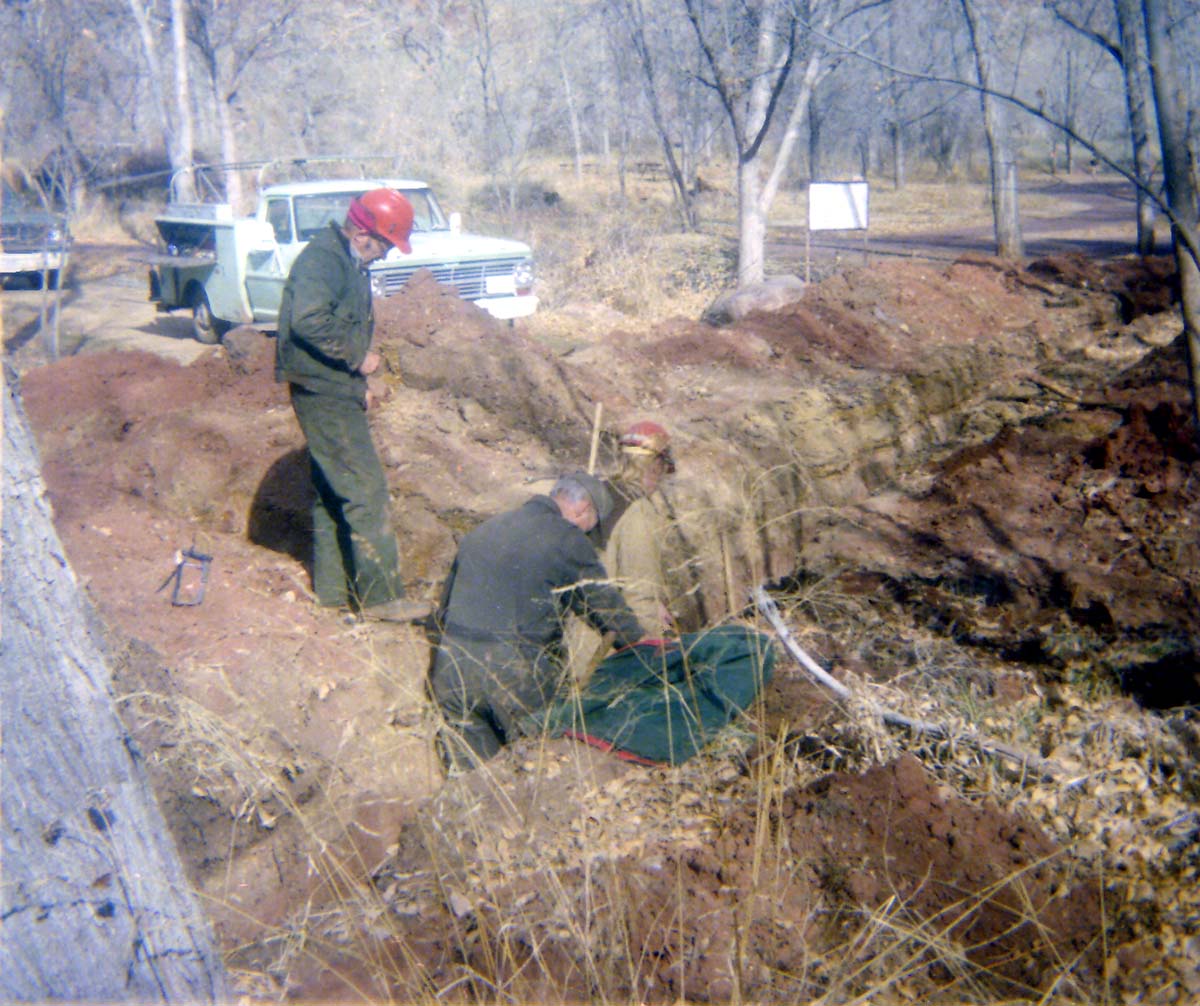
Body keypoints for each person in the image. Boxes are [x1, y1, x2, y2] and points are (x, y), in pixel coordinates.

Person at [275, 188, 428, 622]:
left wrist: (356, 384)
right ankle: (382, 599)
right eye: (384, 245)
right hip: (322, 391)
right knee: (366, 491)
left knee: (333, 491)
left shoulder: (346, 259)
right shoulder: (323, 261)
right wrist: (357, 357)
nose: (386, 255)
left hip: (332, 386)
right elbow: (308, 320)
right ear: (362, 234)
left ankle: (334, 593)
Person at [429, 472, 646, 770]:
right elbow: (607, 611)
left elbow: (444, 611)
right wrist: (644, 646)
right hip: (514, 675)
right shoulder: (566, 538)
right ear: (583, 510)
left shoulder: (485, 529)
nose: (586, 536)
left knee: (471, 782)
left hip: (452, 669)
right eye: (590, 527)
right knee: (533, 773)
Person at [566, 420, 679, 679]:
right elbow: (639, 595)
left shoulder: (600, 495)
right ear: (656, 465)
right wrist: (657, 652)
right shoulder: (638, 511)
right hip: (606, 656)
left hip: (576, 643)